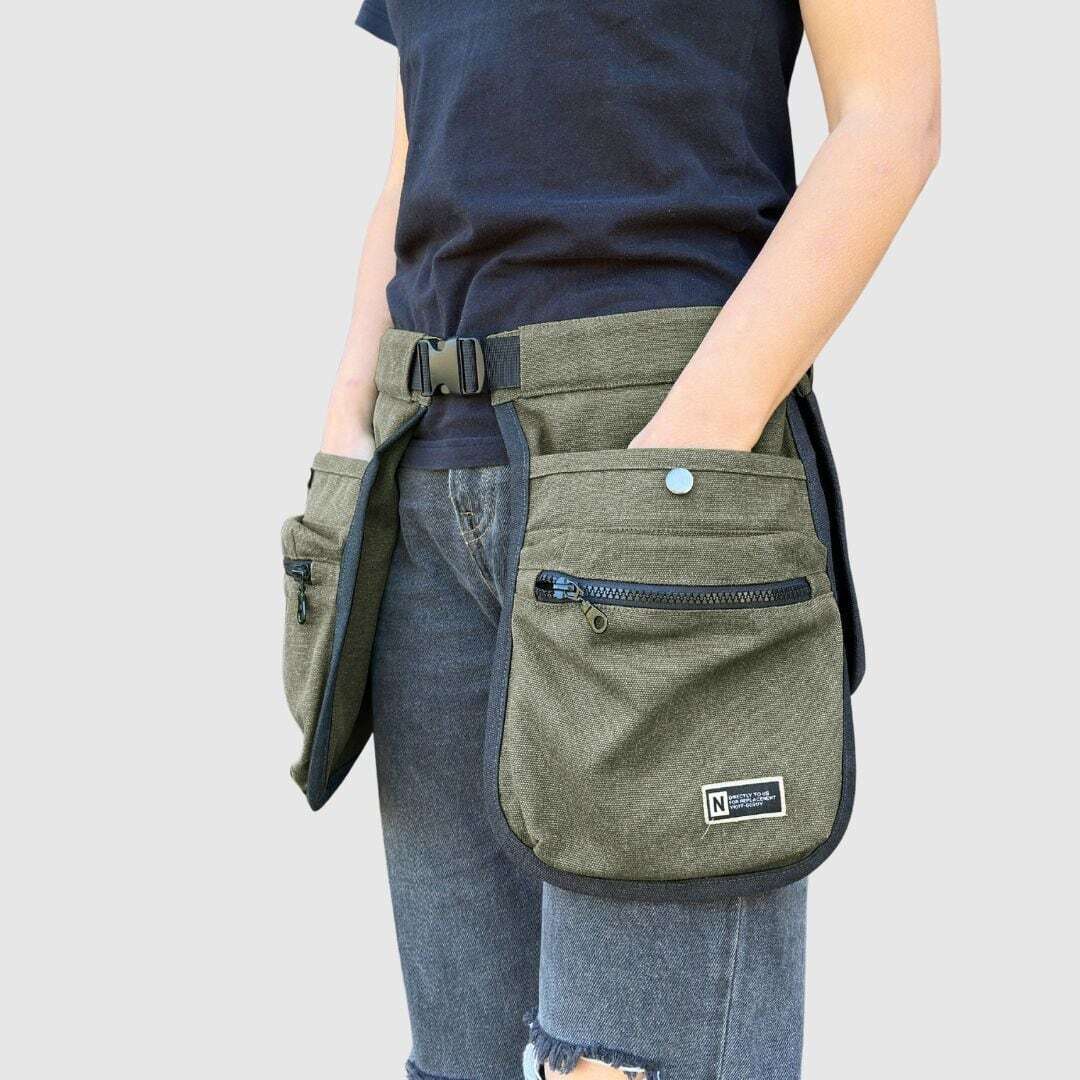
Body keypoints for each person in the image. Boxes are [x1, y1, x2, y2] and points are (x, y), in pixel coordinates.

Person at [317, 2, 939, 1077]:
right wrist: (348, 435)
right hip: (430, 474)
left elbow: (893, 115)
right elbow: (418, 148)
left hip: (656, 463)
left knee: (630, 1061)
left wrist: (681, 453)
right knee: (459, 1058)